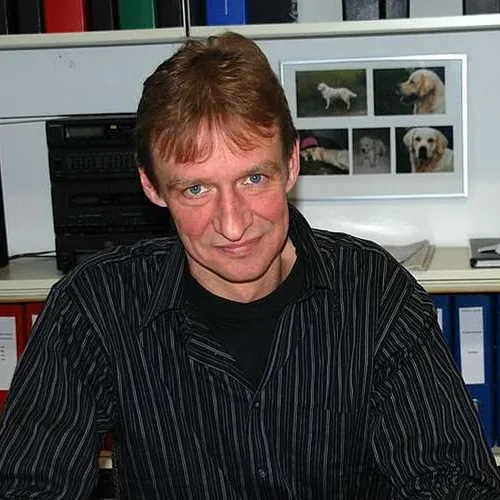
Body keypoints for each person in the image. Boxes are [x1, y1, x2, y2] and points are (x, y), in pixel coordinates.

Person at [0, 32, 499, 500]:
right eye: (196, 189)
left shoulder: (375, 292)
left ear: (293, 163)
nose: (233, 225)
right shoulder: (95, 306)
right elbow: (29, 484)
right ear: (152, 186)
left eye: (254, 178)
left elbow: (454, 481)